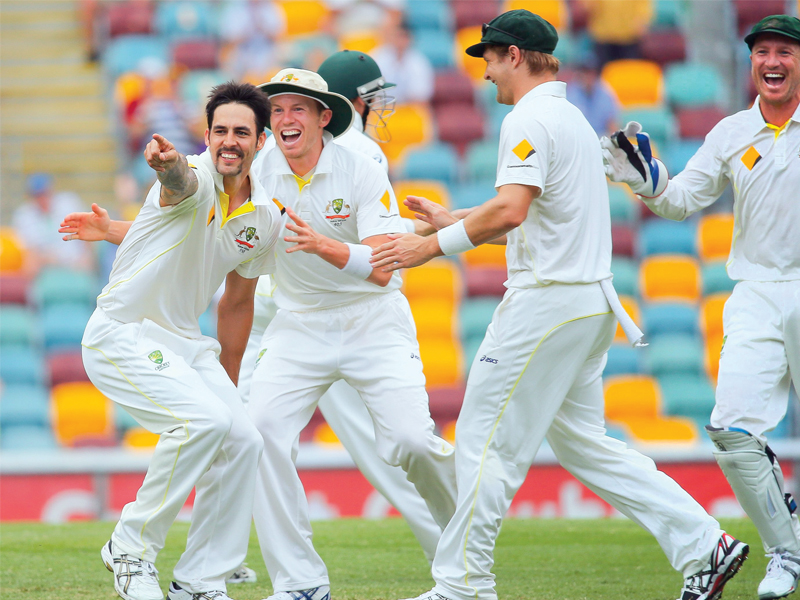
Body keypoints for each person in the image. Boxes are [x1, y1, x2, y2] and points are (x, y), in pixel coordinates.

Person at [370, 10, 748, 600]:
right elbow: (537, 218)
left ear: (514, 56)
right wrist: (455, 220)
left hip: (547, 304)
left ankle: (463, 585)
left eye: (491, 60)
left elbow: (513, 210)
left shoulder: (528, 119)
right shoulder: (569, 117)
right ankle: (706, 544)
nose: (487, 74)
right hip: (586, 303)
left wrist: (428, 248)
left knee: (483, 443)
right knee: (586, 447)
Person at [602, 14, 800, 600]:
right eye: (762, 51)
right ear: (751, 64)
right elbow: (682, 200)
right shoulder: (732, 132)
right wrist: (647, 179)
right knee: (731, 429)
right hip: (757, 293)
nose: (772, 61)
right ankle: (785, 552)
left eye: (785, 52)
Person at [63, 82, 282, 600]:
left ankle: (200, 581)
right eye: (221, 131)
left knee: (243, 439)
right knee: (200, 422)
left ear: (262, 142)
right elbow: (178, 188)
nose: (230, 141)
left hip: (186, 342)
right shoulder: (195, 177)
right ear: (207, 136)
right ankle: (130, 549)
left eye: (242, 133)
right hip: (124, 331)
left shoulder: (266, 218)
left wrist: (227, 379)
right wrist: (166, 164)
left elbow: (238, 299)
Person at [249, 68, 456, 600]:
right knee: (261, 435)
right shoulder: (254, 167)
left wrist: (326, 247)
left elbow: (385, 265)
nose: (285, 119)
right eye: (276, 109)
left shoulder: (362, 165)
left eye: (299, 108)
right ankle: (301, 585)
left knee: (412, 442)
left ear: (325, 117)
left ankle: (465, 567)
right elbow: (194, 200)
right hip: (297, 323)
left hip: (372, 319)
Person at [13, 172, 94, 274]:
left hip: (76, 263)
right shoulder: (24, 216)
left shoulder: (69, 203)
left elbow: (88, 234)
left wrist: (87, 257)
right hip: (45, 268)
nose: (42, 199)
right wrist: (45, 259)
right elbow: (28, 252)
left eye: (44, 194)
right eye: (37, 195)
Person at [372, 18, 435, 105]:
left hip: (408, 110)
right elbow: (370, 92)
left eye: (404, 37)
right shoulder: (378, 57)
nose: (400, 41)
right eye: (397, 36)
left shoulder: (419, 62)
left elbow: (421, 97)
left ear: (411, 39)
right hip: (380, 108)